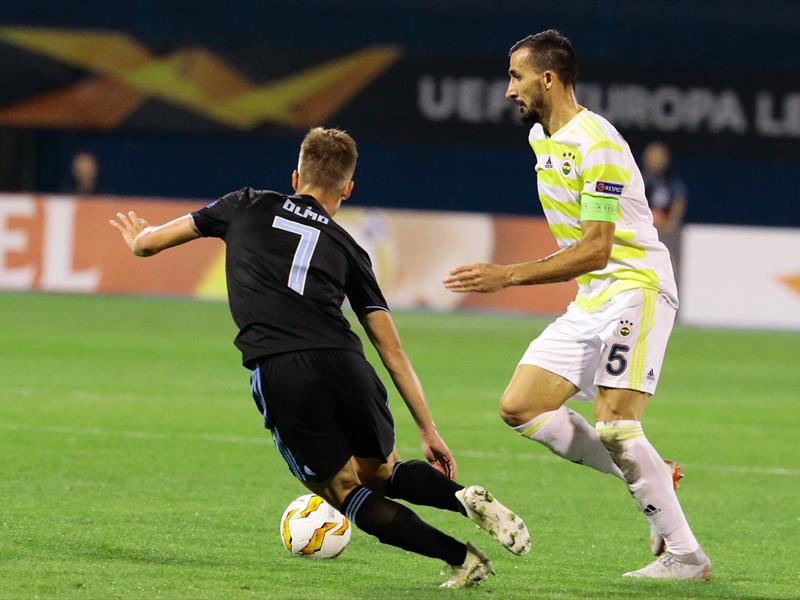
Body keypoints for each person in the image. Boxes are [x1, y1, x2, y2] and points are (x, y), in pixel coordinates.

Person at [109, 127, 530, 589]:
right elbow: (391, 349)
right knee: (382, 472)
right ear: (347, 189)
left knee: (344, 491)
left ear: (295, 177)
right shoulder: (350, 248)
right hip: (347, 362)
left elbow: (148, 244)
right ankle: (463, 499)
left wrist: (137, 239)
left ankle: (463, 560)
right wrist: (428, 429)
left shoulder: (244, 203)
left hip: (282, 366)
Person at [443, 31, 711, 581]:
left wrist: (507, 275)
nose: (508, 90)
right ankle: (654, 473)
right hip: (593, 297)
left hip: (635, 286)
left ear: (548, 78)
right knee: (521, 406)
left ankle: (687, 557)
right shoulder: (541, 136)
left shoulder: (599, 144)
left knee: (616, 425)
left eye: (516, 76)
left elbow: (595, 249)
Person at [642, 142, 687, 277]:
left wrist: (670, 222)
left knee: (670, 263)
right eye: (653, 156)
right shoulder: (638, 180)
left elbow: (678, 202)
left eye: (660, 156)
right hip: (643, 230)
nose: (656, 160)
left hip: (666, 234)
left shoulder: (673, 182)